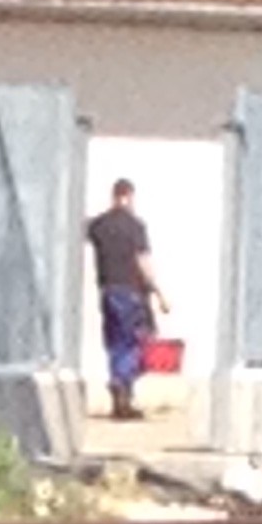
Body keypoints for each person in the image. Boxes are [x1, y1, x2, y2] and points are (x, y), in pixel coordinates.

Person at [84, 179, 166, 423]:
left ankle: (121, 399)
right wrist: (159, 292)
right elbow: (143, 261)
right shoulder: (135, 226)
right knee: (134, 342)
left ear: (113, 195)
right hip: (132, 291)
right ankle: (121, 383)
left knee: (114, 342)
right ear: (130, 196)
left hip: (108, 291)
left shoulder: (98, 225)